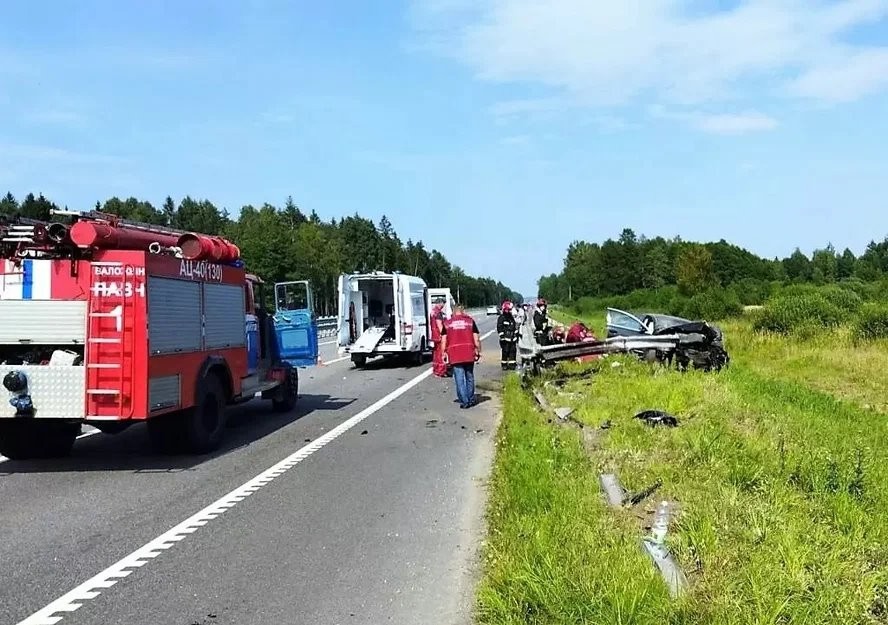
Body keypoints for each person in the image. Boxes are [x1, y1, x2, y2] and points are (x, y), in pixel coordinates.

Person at [440, 304, 481, 409]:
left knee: (459, 378)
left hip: (455, 354)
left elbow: (443, 340)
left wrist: (443, 353)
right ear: (463, 311)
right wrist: (478, 350)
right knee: (469, 376)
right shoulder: (470, 322)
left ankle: (464, 401)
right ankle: (471, 399)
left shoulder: (447, 323)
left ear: (453, 311)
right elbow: (476, 338)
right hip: (468, 352)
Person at [496, 301, 518, 370]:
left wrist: (516, 334)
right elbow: (499, 327)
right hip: (505, 339)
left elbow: (514, 326)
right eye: (508, 309)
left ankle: (512, 364)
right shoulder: (501, 318)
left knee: (513, 351)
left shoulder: (511, 318)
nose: (509, 311)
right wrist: (502, 336)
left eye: (509, 310)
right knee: (505, 351)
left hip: (512, 338)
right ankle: (504, 364)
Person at [429, 301, 448, 377]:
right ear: (441, 303)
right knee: (441, 354)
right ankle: (441, 371)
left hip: (435, 336)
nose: (443, 306)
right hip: (439, 337)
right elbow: (439, 325)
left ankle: (436, 370)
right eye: (443, 304)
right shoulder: (438, 313)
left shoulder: (433, 311)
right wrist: (444, 335)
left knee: (436, 354)